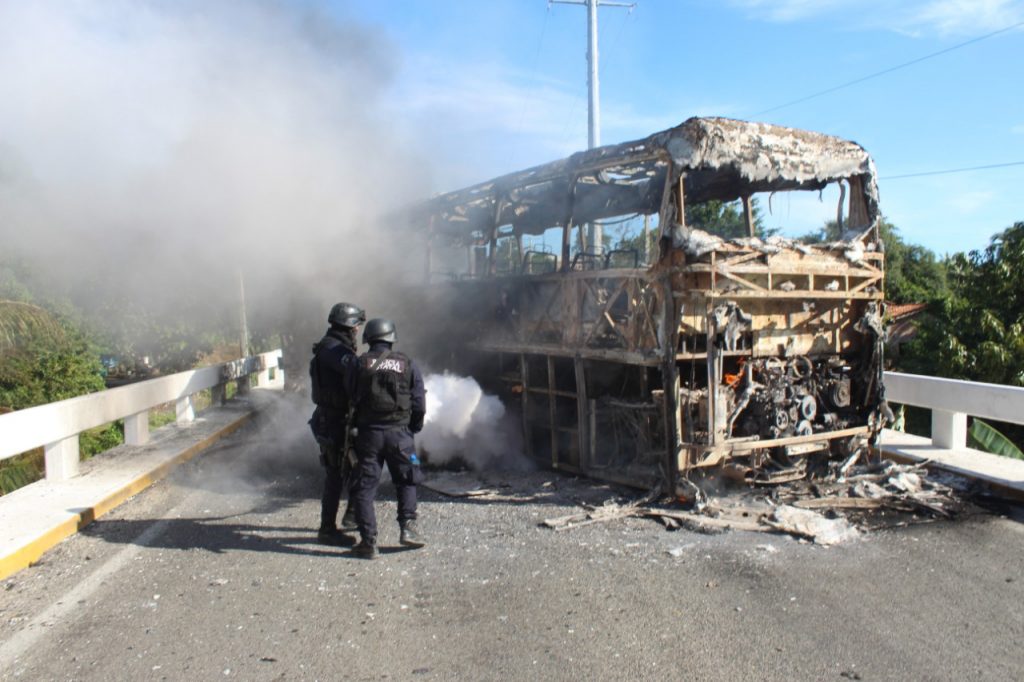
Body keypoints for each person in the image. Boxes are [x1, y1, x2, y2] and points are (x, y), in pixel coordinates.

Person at [350, 318, 427, 559]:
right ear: (391, 338)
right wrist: (413, 427)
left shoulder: (359, 363)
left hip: (369, 434)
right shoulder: (408, 364)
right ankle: (409, 529)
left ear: (369, 339)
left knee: (364, 487)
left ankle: (369, 542)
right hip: (400, 435)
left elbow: (349, 396)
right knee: (407, 479)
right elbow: (419, 402)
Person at [309, 301, 365, 545]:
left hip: (333, 418)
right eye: (357, 327)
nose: (358, 332)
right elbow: (357, 371)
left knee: (350, 468)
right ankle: (328, 529)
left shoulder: (332, 346)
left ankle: (348, 517)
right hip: (333, 421)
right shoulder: (335, 350)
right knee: (337, 474)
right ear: (350, 326)